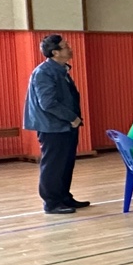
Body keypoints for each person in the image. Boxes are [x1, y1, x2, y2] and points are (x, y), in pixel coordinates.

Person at [23, 33, 85, 214]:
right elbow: (48, 103)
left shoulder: (61, 69)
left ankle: (64, 196)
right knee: (53, 165)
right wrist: (71, 118)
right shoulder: (44, 72)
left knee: (66, 163)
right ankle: (51, 202)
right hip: (53, 127)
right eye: (65, 46)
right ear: (55, 52)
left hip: (65, 126)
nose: (70, 48)